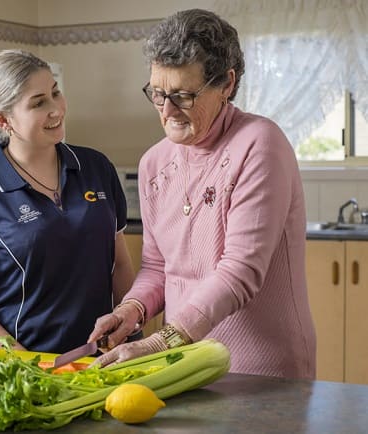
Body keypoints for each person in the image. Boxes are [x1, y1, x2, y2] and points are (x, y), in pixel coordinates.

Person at [88, 9, 316, 379]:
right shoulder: (153, 164)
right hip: (182, 363)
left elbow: (240, 271)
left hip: (260, 368)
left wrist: (160, 342)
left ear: (226, 83)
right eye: (158, 94)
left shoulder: (259, 144)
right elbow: (159, 268)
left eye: (182, 95)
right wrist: (131, 310)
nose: (167, 111)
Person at [0, 49, 136, 354]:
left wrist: (130, 333)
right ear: (3, 119)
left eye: (55, 93)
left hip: (103, 360)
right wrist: (17, 356)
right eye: (39, 103)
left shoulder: (97, 168)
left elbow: (119, 264)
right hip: (28, 371)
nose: (56, 109)